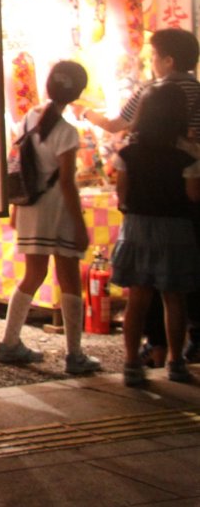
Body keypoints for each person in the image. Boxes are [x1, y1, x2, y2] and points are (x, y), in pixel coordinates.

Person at [81, 28, 200, 365]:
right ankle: (183, 353)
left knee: (141, 293)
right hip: (181, 209)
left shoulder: (151, 95)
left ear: (168, 59)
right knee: (179, 284)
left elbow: (117, 125)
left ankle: (146, 353)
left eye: (153, 57)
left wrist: (87, 113)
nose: (150, 64)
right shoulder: (196, 104)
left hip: (141, 221)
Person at [0, 61, 101, 374]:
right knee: (69, 278)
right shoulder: (66, 132)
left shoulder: (29, 119)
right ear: (78, 93)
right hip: (58, 210)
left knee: (33, 274)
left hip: (30, 208)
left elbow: (21, 167)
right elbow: (67, 182)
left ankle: (9, 342)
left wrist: (16, 209)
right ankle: (74, 354)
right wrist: (80, 225)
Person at [110, 82, 200, 386]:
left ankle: (131, 363)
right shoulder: (188, 153)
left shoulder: (128, 153)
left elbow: (121, 195)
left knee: (138, 298)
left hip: (136, 228)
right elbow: (193, 195)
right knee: (175, 299)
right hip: (174, 229)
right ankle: (176, 362)